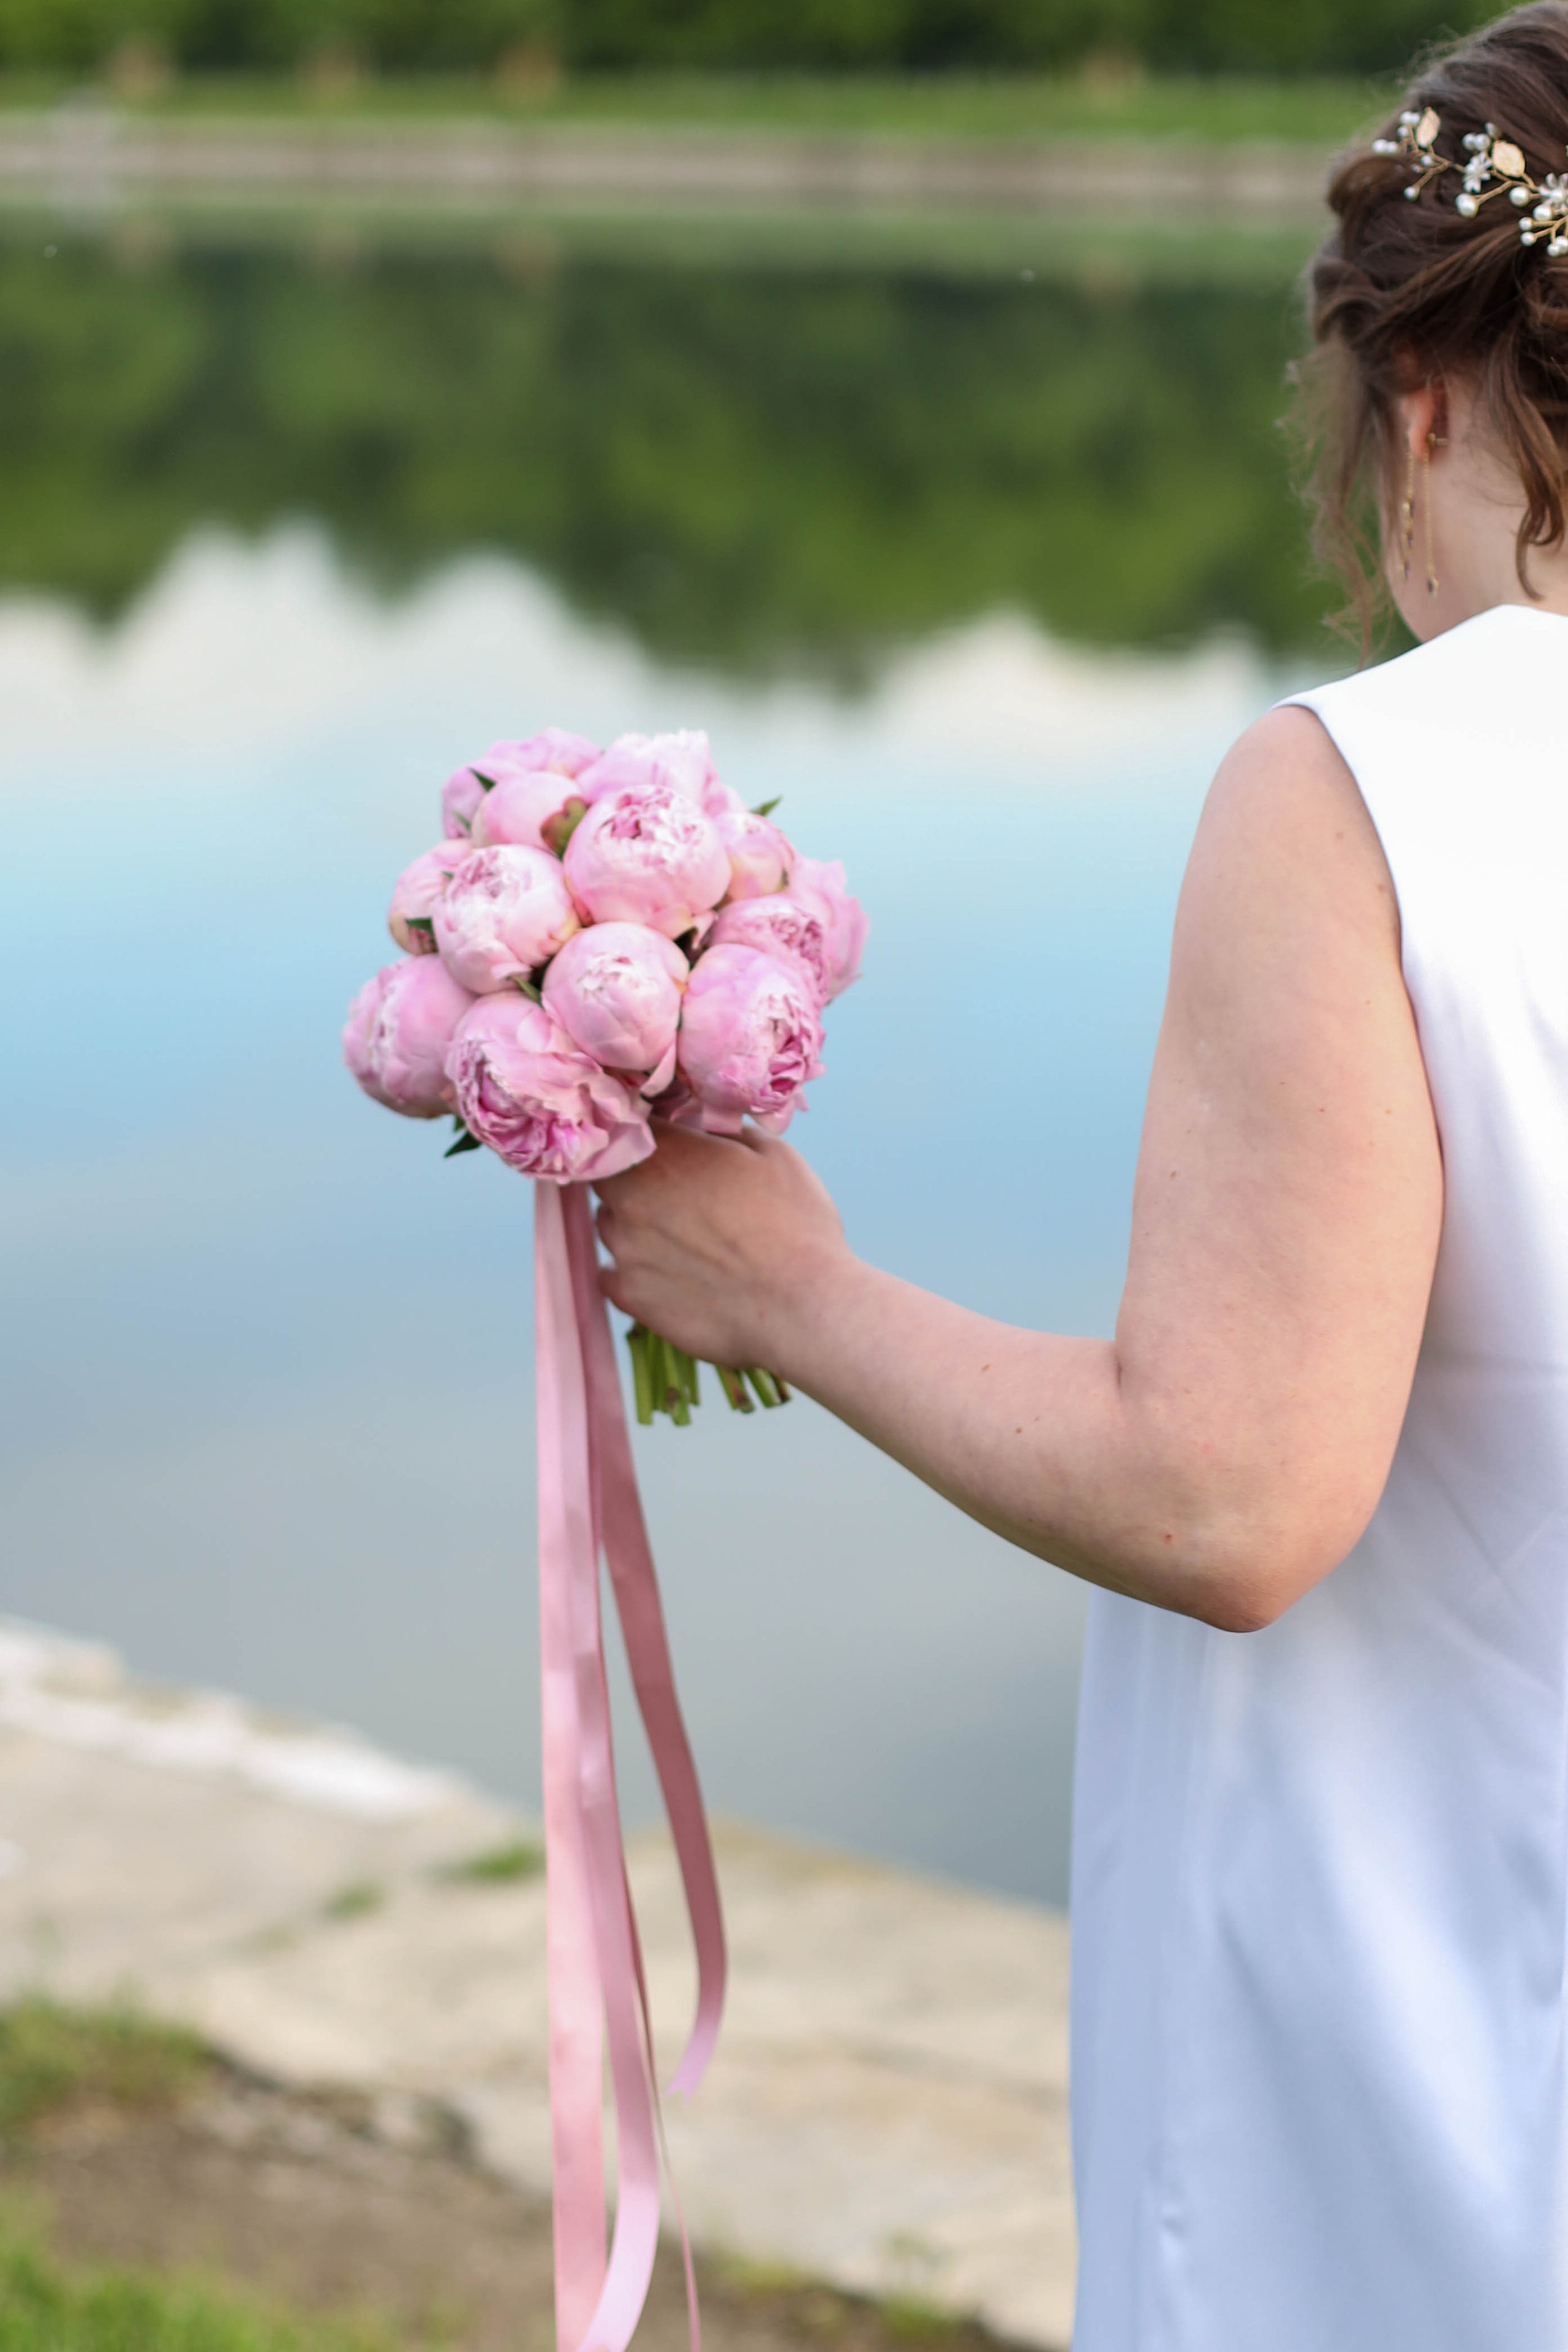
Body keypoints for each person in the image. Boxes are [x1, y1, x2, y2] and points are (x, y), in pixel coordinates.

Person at [594, 6, 1568, 2343]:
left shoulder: (1380, 785)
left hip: (1445, 2020)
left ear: (1415, 387)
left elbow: (1229, 1499)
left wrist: (784, 1290)